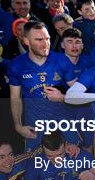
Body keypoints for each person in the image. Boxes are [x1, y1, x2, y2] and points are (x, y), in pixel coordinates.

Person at [8, 21, 77, 151]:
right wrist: (18, 125)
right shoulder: (17, 65)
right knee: (37, 167)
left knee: (72, 166)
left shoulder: (61, 60)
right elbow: (15, 97)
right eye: (39, 39)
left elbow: (80, 94)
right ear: (26, 41)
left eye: (47, 39)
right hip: (35, 128)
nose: (45, 44)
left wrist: (63, 97)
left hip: (64, 124)